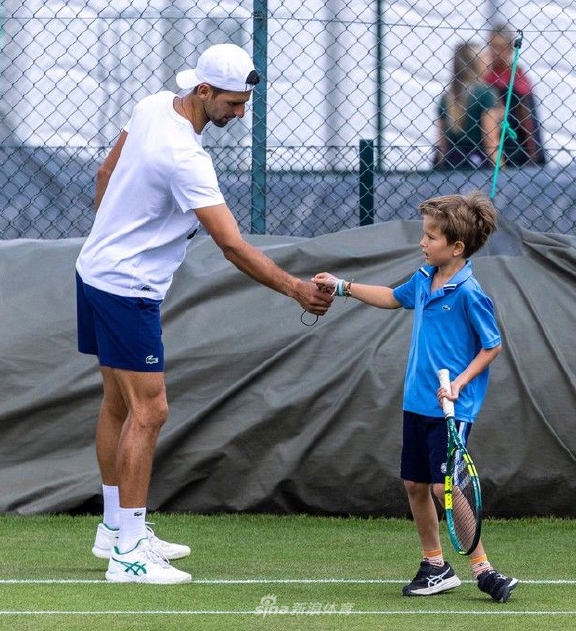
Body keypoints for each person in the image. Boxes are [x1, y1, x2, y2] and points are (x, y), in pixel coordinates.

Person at [76, 43, 334, 585]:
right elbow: (232, 245)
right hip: (127, 289)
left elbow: (105, 172)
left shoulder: (151, 105)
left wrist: (114, 235)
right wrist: (295, 290)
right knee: (150, 411)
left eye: (244, 104)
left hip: (95, 271)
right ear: (203, 91)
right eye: (233, 104)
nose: (240, 114)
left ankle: (115, 527)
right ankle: (129, 555)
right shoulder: (187, 159)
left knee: (119, 404)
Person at [311, 192, 518, 602]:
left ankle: (483, 569)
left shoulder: (470, 292)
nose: (422, 243)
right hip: (417, 402)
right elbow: (391, 298)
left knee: (444, 489)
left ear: (456, 247)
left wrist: (459, 383)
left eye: (431, 237)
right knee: (414, 484)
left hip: (451, 408)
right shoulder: (424, 279)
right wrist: (342, 287)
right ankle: (435, 566)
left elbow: (491, 346)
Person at [484, 23, 546, 166]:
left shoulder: (518, 78)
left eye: (499, 47)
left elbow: (529, 121)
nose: (495, 52)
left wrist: (535, 154)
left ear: (510, 49)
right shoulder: (485, 77)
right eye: (492, 46)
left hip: (516, 148)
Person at [433, 43, 499, 170]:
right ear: (476, 64)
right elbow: (490, 140)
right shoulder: (485, 93)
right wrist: (501, 169)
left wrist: (440, 167)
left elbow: (442, 143)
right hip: (479, 164)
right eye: (486, 57)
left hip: (452, 164)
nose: (490, 61)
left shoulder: (447, 97)